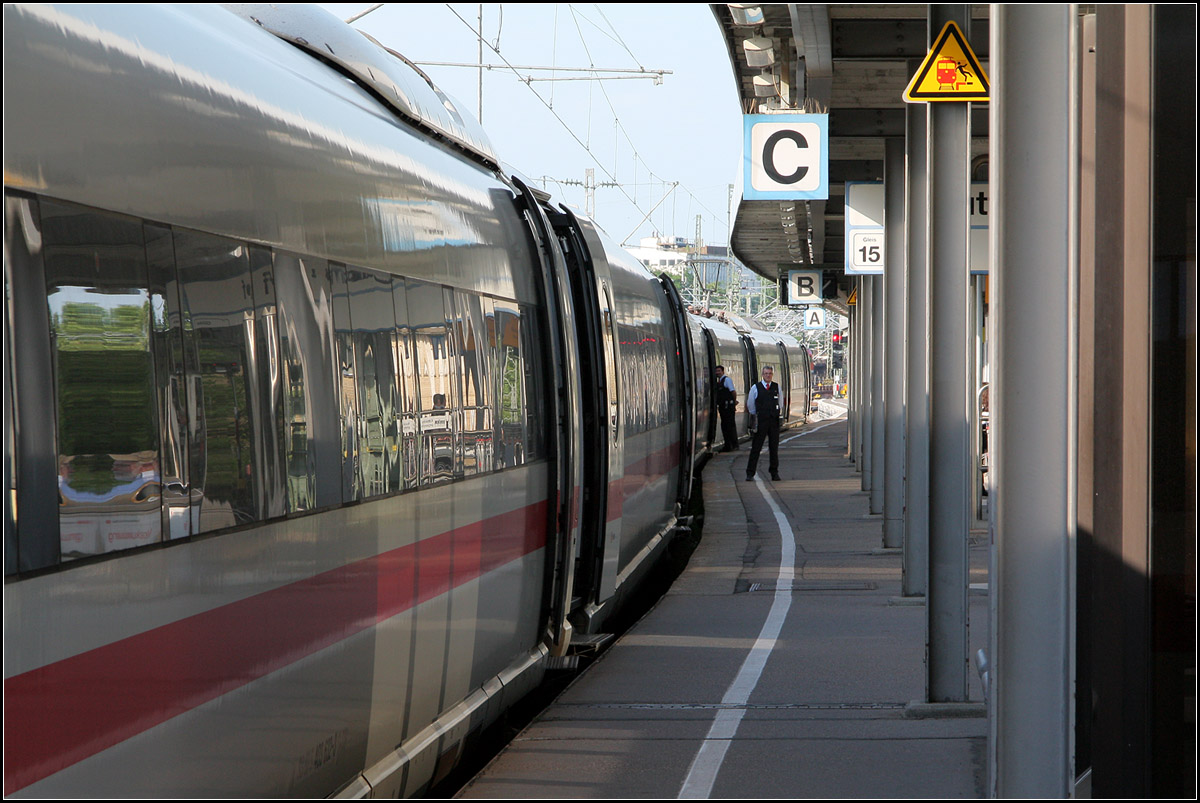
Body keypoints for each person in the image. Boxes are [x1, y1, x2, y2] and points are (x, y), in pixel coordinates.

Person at [745, 365, 782, 482]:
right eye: (766, 373)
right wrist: (756, 416)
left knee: (774, 448)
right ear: (762, 374)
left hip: (773, 421)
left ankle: (774, 472)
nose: (768, 375)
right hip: (761, 421)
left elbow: (780, 403)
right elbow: (750, 404)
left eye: (770, 373)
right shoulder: (756, 388)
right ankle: (750, 473)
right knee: (756, 448)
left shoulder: (777, 387)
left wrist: (776, 413)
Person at [714, 365, 739, 451]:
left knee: (729, 425)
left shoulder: (727, 380)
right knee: (725, 425)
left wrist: (734, 402)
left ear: (723, 371)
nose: (717, 373)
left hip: (728, 407)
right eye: (716, 371)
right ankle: (729, 444)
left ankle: (732, 445)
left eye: (719, 371)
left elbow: (733, 391)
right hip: (723, 407)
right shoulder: (719, 381)